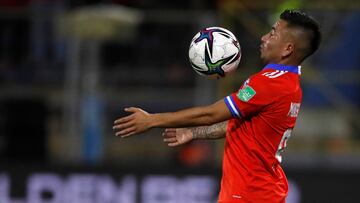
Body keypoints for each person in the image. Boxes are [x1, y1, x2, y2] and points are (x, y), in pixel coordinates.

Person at [113, 9, 321, 203]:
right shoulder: (290, 84)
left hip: (250, 195)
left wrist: (151, 120)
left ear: (288, 49)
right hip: (259, 193)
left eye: (273, 33)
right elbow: (237, 126)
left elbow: (211, 114)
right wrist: (195, 133)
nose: (264, 38)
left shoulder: (269, 83)